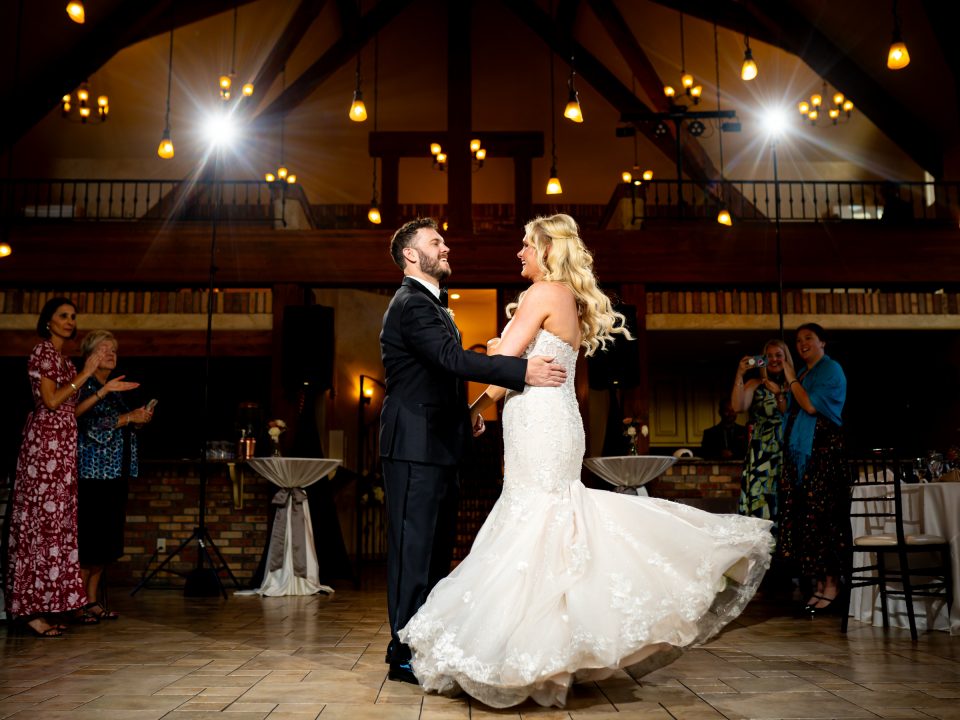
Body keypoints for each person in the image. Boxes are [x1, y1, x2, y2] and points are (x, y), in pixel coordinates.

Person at [399, 214, 774, 708]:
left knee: (538, 521)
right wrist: (478, 408)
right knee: (548, 522)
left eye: (526, 247)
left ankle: (533, 656)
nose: (520, 255)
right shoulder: (563, 299)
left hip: (542, 423)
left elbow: (505, 358)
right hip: (547, 419)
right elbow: (514, 371)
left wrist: (492, 351)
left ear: (549, 251)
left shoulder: (542, 295)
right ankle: (548, 655)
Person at [379, 217, 568, 684]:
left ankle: (422, 640)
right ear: (410, 255)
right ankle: (401, 649)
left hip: (439, 443)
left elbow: (438, 375)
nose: (446, 247)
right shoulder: (411, 303)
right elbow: (451, 360)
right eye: (435, 242)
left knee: (437, 552)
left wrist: (466, 415)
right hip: (413, 447)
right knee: (413, 552)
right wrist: (521, 372)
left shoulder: (435, 305)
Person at [5, 298, 136, 637]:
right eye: (62, 316)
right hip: (44, 449)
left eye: (73, 316)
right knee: (39, 524)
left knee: (58, 527)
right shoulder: (43, 353)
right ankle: (28, 608)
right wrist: (87, 374)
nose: (69, 321)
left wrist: (103, 388)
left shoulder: (63, 360)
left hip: (63, 449)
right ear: (48, 321)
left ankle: (50, 604)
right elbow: (49, 401)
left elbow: (71, 411)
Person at [75, 330, 153, 621]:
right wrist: (126, 418)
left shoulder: (114, 387)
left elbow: (119, 425)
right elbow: (85, 425)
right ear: (88, 356)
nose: (110, 354)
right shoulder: (85, 387)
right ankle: (78, 603)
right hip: (92, 474)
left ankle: (92, 600)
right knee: (90, 541)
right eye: (103, 349)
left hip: (115, 472)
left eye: (114, 350)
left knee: (106, 543)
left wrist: (137, 419)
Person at [777, 323, 847, 616]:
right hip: (801, 456)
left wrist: (791, 378)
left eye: (809, 338)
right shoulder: (804, 374)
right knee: (806, 520)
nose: (802, 343)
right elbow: (790, 410)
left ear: (823, 343)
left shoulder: (830, 370)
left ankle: (833, 586)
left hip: (822, 453)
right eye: (798, 340)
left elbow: (810, 407)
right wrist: (781, 393)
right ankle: (818, 584)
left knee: (824, 519)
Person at [731, 340, 793, 523]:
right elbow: (737, 406)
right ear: (762, 360)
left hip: (786, 450)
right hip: (761, 453)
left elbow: (789, 414)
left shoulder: (794, 384)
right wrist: (740, 373)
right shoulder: (755, 383)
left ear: (786, 358)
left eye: (778, 355)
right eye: (769, 356)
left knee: (785, 501)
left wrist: (778, 394)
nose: (773, 359)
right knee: (761, 502)